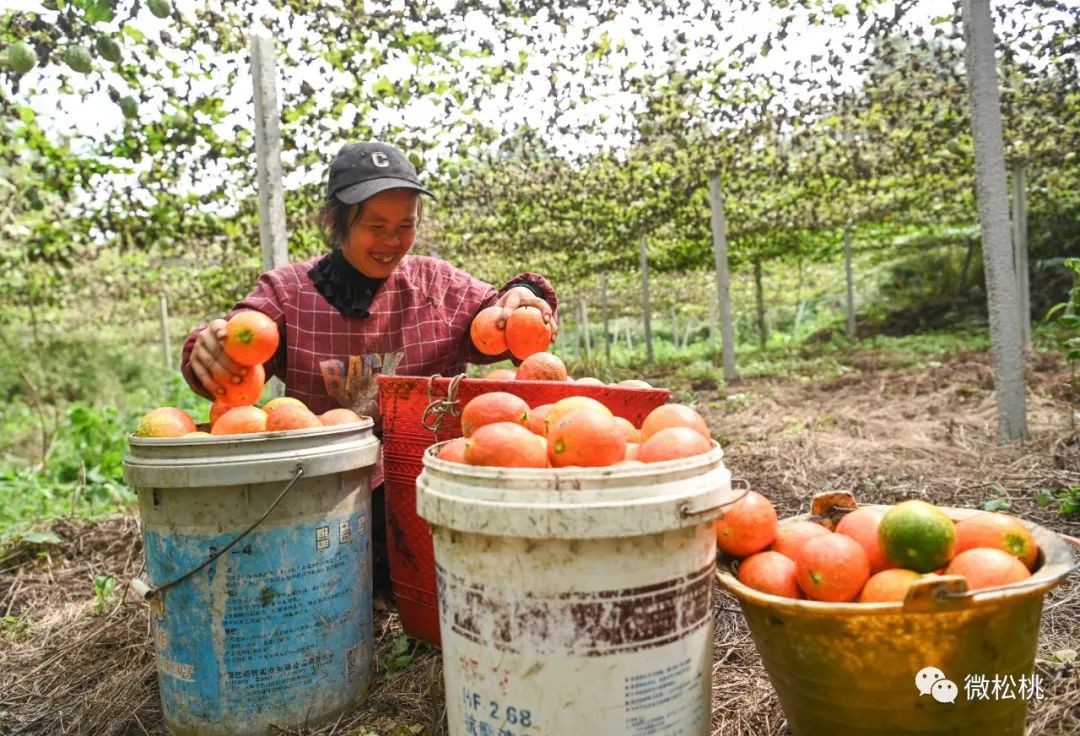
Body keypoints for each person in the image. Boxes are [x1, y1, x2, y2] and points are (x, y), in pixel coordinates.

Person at [180, 140, 559, 588]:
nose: (392, 241)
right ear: (336, 221)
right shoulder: (290, 294)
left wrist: (523, 297)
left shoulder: (435, 285)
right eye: (375, 225)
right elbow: (237, 338)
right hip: (324, 505)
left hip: (431, 501)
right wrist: (208, 351)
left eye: (406, 225)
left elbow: (499, 317)